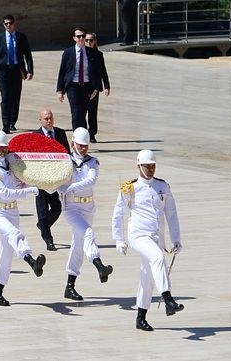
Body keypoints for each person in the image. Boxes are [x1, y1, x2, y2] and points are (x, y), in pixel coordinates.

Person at [112, 149, 184, 331]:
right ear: (138, 166)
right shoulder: (130, 188)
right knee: (158, 259)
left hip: (156, 237)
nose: (150, 169)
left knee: (148, 277)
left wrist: (176, 239)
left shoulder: (163, 186)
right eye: (146, 166)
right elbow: (118, 214)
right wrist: (119, 240)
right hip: (138, 235)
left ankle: (140, 317)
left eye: (153, 165)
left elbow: (172, 213)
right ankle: (168, 299)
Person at [0, 130, 46, 305]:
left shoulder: (11, 163)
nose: (2, 150)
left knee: (6, 253)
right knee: (14, 233)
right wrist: (29, 191)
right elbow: (6, 193)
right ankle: (31, 260)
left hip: (12, 211)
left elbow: (19, 179)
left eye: (4, 147)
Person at [58, 127, 113, 301]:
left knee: (78, 245)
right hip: (71, 208)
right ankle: (99, 265)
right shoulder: (64, 162)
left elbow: (91, 181)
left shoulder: (92, 162)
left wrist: (70, 187)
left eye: (85, 146)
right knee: (88, 233)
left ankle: (70, 285)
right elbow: (56, 182)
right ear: (73, 143)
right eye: (80, 145)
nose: (83, 149)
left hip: (88, 207)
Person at [31, 108, 70, 250]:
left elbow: (67, 154)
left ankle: (42, 225)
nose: (49, 121)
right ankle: (49, 240)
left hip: (55, 179)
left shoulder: (60, 133)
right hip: (40, 180)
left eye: (51, 118)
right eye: (46, 119)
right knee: (42, 210)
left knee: (57, 208)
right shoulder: (35, 136)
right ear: (40, 120)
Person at [0, 15, 34, 133]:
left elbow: (28, 55)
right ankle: (6, 124)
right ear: (3, 25)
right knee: (5, 97)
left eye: (10, 23)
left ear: (14, 24)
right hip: (3, 71)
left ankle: (13, 121)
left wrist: (30, 70)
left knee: (15, 97)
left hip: (17, 70)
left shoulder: (21, 37)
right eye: (6, 24)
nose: (8, 25)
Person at [55, 27, 102, 130]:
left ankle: (83, 136)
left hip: (87, 86)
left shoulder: (91, 52)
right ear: (74, 38)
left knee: (83, 113)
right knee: (76, 113)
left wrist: (96, 88)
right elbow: (62, 71)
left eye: (83, 36)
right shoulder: (68, 52)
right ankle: (77, 136)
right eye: (78, 36)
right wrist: (60, 90)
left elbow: (97, 72)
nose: (81, 38)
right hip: (73, 86)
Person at [84, 33, 110, 143]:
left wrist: (106, 86)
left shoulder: (99, 55)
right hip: (82, 86)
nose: (88, 42)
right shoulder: (81, 53)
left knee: (92, 112)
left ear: (95, 41)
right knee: (81, 112)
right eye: (86, 40)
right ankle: (82, 133)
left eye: (91, 40)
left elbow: (103, 71)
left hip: (94, 87)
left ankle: (92, 134)